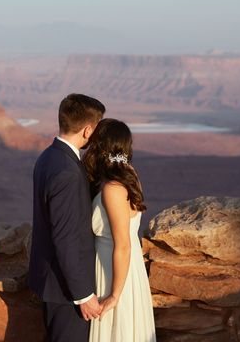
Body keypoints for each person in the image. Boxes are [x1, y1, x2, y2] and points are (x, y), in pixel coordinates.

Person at [29, 93, 106, 342]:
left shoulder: (48, 157)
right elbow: (66, 238)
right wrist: (84, 295)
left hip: (54, 284)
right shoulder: (68, 172)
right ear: (87, 130)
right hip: (66, 291)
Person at [82, 118, 156, 342]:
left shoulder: (113, 188)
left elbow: (122, 243)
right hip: (125, 268)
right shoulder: (128, 174)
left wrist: (114, 295)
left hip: (114, 272)